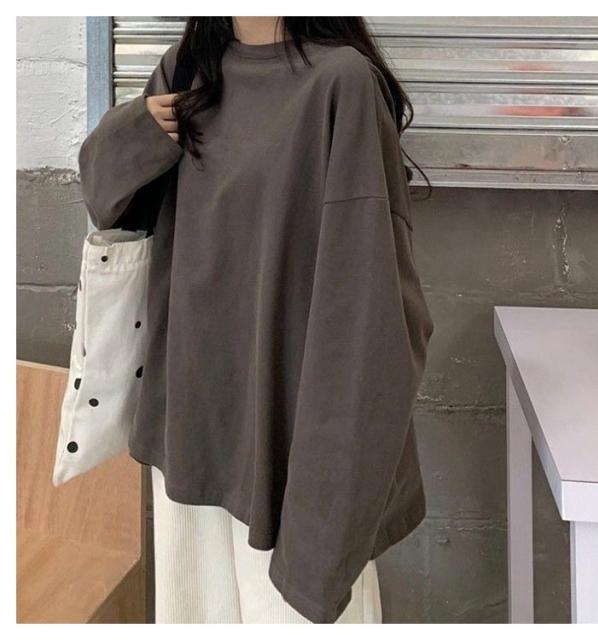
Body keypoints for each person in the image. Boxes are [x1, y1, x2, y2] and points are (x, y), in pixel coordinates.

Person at [78, 16, 434, 624]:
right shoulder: (189, 66)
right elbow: (106, 200)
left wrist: (324, 536)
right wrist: (138, 128)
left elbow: (368, 325)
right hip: (191, 447)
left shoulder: (340, 84)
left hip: (292, 471)